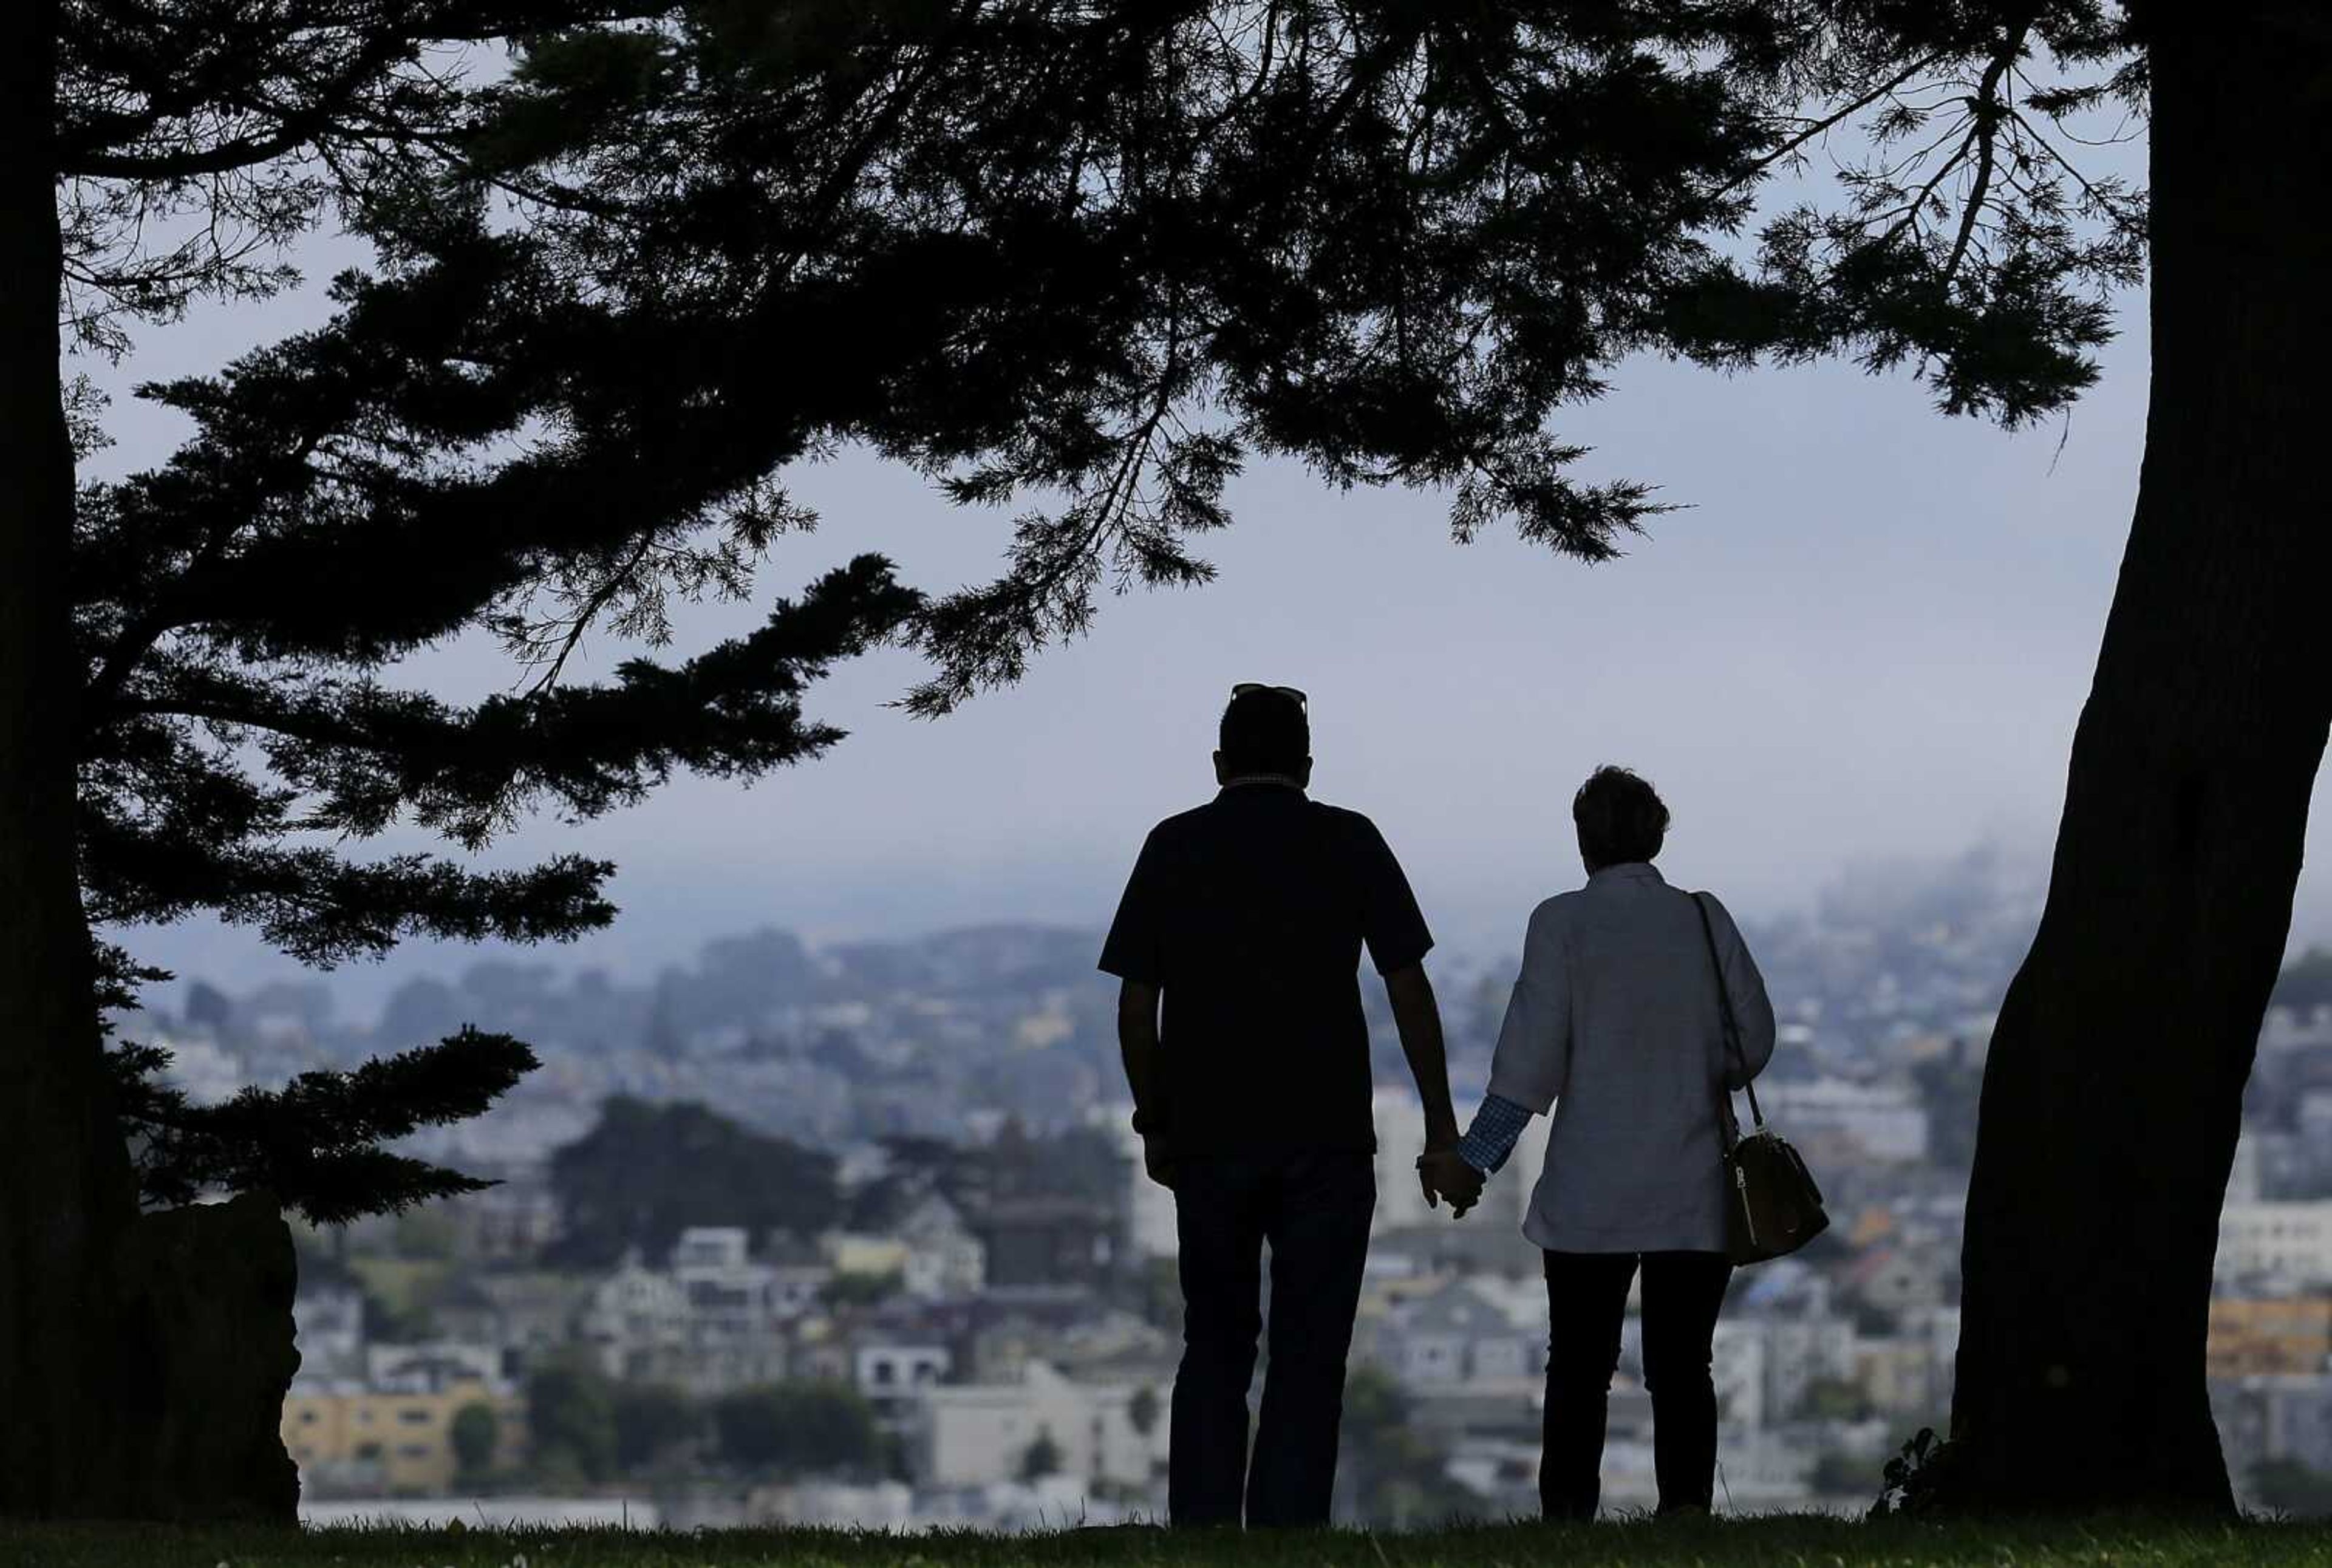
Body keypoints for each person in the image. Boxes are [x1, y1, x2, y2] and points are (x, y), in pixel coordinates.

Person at [1099, 682, 1468, 1528]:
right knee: (1310, 1354)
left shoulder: (1174, 844)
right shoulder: (1349, 838)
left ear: (1221, 763)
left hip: (1209, 1130)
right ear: (1306, 765)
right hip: (1326, 1132)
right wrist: (1441, 1123)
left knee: (1216, 1341)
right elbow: (1408, 987)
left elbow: (1134, 1005)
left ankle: (1202, 1524)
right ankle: (1288, 1528)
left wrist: (1155, 1119)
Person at [1420, 765, 1776, 1521]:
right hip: (1693, 1186)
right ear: (1657, 835)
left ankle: (1569, 1517)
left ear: (1583, 841)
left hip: (1591, 1191)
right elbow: (1755, 1039)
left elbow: (1527, 1066)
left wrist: (1473, 1159)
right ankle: (1684, 1512)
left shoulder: (1561, 924)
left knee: (1579, 1366)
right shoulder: (1706, 918)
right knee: (1685, 1368)